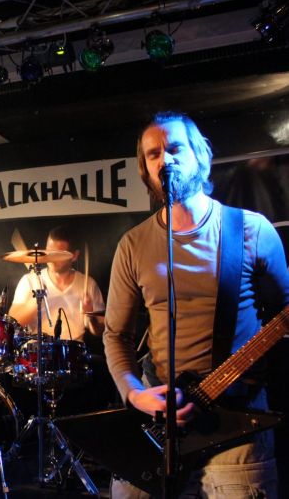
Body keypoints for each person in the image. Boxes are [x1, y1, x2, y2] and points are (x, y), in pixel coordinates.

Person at [103, 111, 289, 497]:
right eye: (153, 154)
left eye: (175, 148)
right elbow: (116, 335)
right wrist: (134, 393)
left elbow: (283, 313)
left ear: (200, 156)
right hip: (158, 421)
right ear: (145, 169)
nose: (164, 159)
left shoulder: (251, 229)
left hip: (237, 420)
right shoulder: (133, 245)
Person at [8, 225, 105, 341]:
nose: (52, 258)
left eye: (59, 254)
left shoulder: (88, 284)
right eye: (50, 252)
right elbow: (12, 325)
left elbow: (100, 330)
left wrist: (90, 315)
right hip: (36, 349)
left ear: (74, 256)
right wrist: (36, 302)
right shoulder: (30, 281)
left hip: (73, 350)